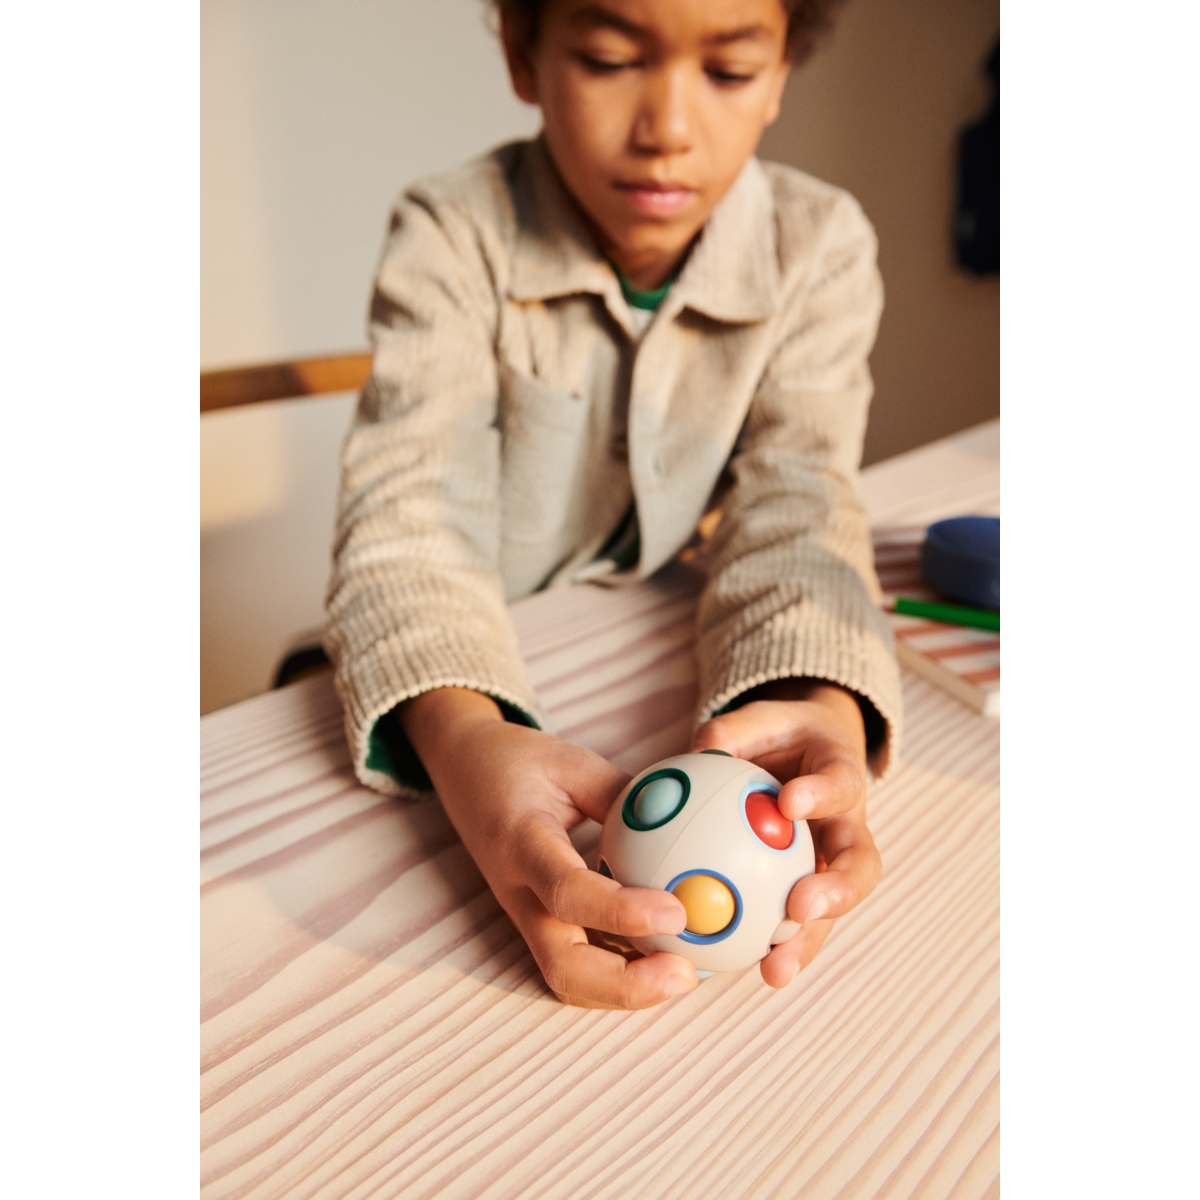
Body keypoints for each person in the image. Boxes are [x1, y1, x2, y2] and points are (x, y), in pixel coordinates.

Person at [325, 0, 901, 1010]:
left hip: (631, 663)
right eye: (606, 58)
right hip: (448, 681)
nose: (667, 127)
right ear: (524, 55)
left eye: (728, 71)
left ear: (779, 76)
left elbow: (801, 505)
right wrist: (465, 740)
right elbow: (406, 525)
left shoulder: (819, 247)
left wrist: (820, 697)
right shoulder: (455, 233)